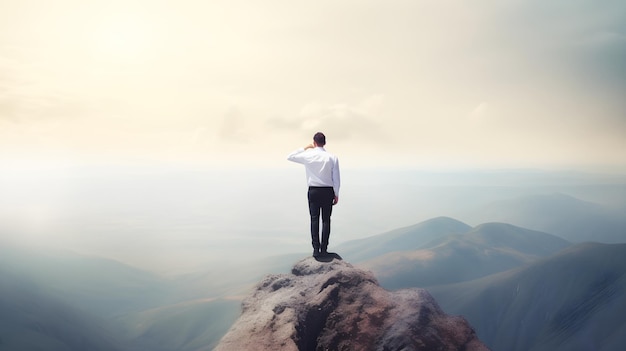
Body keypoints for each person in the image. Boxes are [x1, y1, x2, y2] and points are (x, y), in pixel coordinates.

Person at [287, 132, 340, 257]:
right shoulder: (332, 157)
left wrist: (305, 148)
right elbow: (336, 178)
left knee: (314, 219)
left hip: (314, 191)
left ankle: (316, 249)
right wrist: (336, 193)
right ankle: (324, 249)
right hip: (328, 191)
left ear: (314, 142)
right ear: (324, 142)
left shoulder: (308, 156)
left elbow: (290, 156)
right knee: (326, 220)